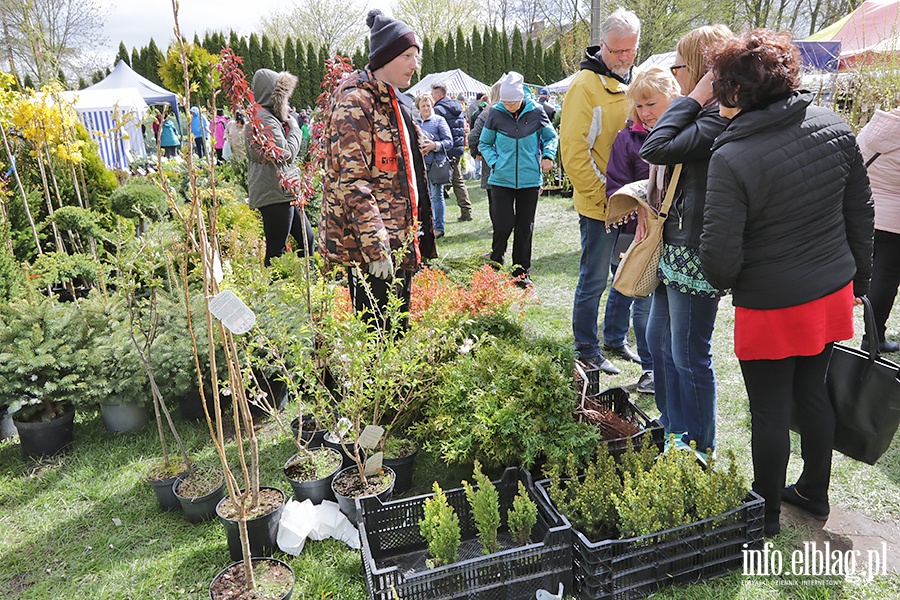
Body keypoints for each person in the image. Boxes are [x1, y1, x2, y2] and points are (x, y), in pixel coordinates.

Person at [701, 29, 874, 537]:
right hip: (828, 291)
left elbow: (718, 260)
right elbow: (860, 211)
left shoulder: (730, 156)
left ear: (735, 92)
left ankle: (766, 515)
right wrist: (860, 278)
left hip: (775, 302)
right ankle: (814, 493)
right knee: (812, 393)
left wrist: (728, 277)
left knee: (771, 408)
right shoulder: (835, 125)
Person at [639, 24, 732, 458]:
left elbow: (655, 146)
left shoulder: (716, 116)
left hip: (694, 251)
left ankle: (697, 446)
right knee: (660, 342)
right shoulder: (705, 113)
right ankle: (674, 425)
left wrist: (693, 96)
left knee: (689, 354)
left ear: (700, 69)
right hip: (674, 245)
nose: (674, 72)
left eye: (679, 64)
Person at [319, 9, 437, 325]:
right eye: (409, 56)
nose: (416, 64)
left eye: (416, 56)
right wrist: (376, 248)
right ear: (386, 57)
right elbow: (354, 181)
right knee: (376, 339)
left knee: (397, 331)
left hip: (398, 239)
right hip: (371, 247)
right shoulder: (356, 103)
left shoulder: (394, 101)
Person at [561, 7, 641, 376]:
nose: (624, 58)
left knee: (626, 273)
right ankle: (586, 346)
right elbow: (574, 153)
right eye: (616, 51)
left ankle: (614, 337)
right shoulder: (583, 86)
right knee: (593, 278)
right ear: (601, 46)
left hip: (633, 202)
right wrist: (603, 199)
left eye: (630, 50)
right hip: (600, 206)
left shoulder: (633, 80)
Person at [604, 66, 680, 394]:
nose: (644, 112)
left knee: (665, 313)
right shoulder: (627, 139)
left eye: (651, 104)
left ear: (673, 99)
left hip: (676, 238)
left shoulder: (685, 134)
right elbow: (616, 185)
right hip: (639, 236)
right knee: (639, 302)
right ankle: (649, 368)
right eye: (639, 105)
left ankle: (664, 368)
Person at [478, 72, 558, 288]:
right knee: (503, 225)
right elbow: (484, 144)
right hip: (501, 180)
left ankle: (521, 274)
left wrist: (548, 156)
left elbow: (551, 137)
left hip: (529, 180)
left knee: (525, 227)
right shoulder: (495, 113)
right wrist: (495, 162)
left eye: (512, 101)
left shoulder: (536, 112)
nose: (508, 105)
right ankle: (495, 266)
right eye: (504, 101)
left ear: (521, 97)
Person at [246, 68, 315, 265]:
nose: (286, 102)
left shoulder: (267, 116)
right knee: (277, 250)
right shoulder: (262, 119)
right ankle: (273, 292)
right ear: (272, 95)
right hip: (274, 194)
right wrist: (295, 130)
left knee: (307, 238)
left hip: (284, 191)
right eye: (283, 97)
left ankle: (307, 285)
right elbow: (284, 155)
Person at [856, 106, 900, 353]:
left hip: (864, 212)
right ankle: (874, 338)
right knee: (885, 279)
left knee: (871, 277)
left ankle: (871, 337)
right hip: (893, 220)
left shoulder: (877, 126)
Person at [432, 82, 473, 221]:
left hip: (444, 149)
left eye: (433, 95)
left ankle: (465, 211)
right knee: (457, 181)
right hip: (456, 148)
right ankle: (466, 210)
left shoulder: (438, 110)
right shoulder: (457, 107)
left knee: (439, 182)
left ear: (438, 95)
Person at [415, 93, 452, 238]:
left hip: (436, 164)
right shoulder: (415, 122)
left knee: (437, 196)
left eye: (428, 105)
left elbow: (449, 142)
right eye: (423, 106)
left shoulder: (439, 121)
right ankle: (424, 226)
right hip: (420, 165)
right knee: (422, 196)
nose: (426, 108)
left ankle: (438, 228)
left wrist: (434, 145)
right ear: (418, 107)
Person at [469, 81, 501, 236]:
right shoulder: (517, 112)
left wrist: (475, 153)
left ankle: (498, 229)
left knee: (494, 200)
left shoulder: (487, 113)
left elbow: (473, 136)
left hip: (492, 160)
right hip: (512, 162)